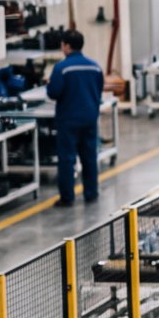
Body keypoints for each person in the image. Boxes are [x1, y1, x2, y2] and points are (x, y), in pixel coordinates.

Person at [45, 29, 105, 207]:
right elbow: (99, 88)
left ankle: (67, 197)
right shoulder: (95, 66)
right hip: (90, 118)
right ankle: (91, 193)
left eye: (62, 45)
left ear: (67, 46)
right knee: (89, 156)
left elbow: (54, 92)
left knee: (67, 159)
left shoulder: (62, 68)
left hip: (68, 120)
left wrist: (49, 84)